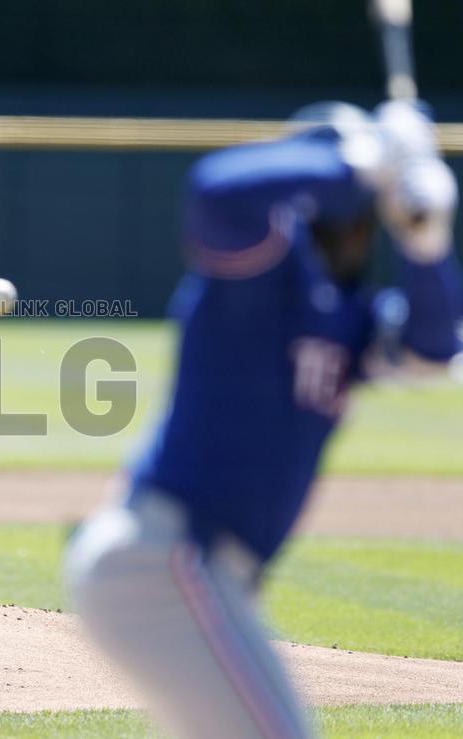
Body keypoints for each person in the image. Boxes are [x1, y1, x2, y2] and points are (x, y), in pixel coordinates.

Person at [65, 100, 463, 739]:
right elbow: (213, 190)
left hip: (200, 575)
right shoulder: (256, 272)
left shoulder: (346, 314)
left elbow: (430, 351)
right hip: (167, 560)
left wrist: (426, 242)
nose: (357, 230)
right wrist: (366, 161)